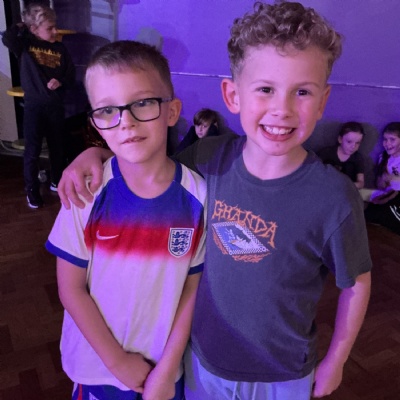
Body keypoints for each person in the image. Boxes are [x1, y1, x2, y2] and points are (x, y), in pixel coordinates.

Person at [56, 2, 372, 399]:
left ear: (322, 101)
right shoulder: (208, 158)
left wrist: (337, 359)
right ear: (232, 95)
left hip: (285, 371)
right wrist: (95, 154)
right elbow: (145, 162)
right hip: (204, 363)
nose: (282, 109)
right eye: (266, 89)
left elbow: (357, 283)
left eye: (302, 92)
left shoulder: (335, 197)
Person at [45, 40, 206, 400]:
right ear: (96, 123)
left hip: (164, 371)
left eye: (143, 102)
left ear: (172, 110)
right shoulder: (85, 193)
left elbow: (191, 288)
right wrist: (117, 362)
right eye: (107, 110)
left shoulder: (198, 196)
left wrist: (167, 370)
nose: (126, 122)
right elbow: (70, 289)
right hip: (96, 368)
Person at [2, 3, 75, 208]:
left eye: (55, 26)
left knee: (57, 147)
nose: (55, 31)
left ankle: (56, 180)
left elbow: (70, 76)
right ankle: (32, 190)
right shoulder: (24, 46)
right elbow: (7, 37)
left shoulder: (60, 49)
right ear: (34, 29)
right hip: (34, 108)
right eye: (49, 28)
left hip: (55, 106)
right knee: (32, 150)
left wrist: (60, 81)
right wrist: (24, 25)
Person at [364, 122, 400, 235]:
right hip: (386, 194)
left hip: (397, 197)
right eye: (385, 139)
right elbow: (381, 185)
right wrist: (383, 181)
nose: (387, 143)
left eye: (392, 139)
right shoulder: (383, 157)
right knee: (367, 215)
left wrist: (392, 178)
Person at [318, 121, 365, 189]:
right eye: (349, 142)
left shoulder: (358, 158)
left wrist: (345, 186)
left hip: (346, 191)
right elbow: (314, 174)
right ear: (340, 139)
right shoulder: (326, 153)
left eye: (357, 143)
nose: (353, 146)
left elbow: (361, 183)